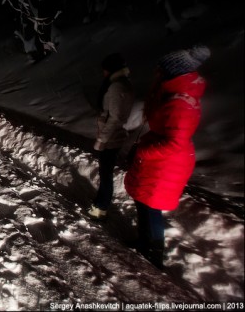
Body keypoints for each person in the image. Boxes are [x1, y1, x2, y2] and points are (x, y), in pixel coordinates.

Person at [124, 45, 210, 270]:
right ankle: (143, 242)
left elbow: (174, 142)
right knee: (143, 201)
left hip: (166, 164)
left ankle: (155, 252)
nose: (156, 73)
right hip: (157, 159)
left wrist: (143, 151)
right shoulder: (171, 94)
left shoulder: (180, 102)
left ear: (172, 72)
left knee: (152, 206)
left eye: (160, 70)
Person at [87, 53, 134, 220]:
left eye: (105, 70)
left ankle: (100, 208)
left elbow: (115, 117)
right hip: (113, 135)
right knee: (105, 172)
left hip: (112, 138)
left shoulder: (117, 87)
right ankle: (100, 203)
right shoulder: (121, 84)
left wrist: (102, 139)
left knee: (106, 173)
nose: (103, 73)